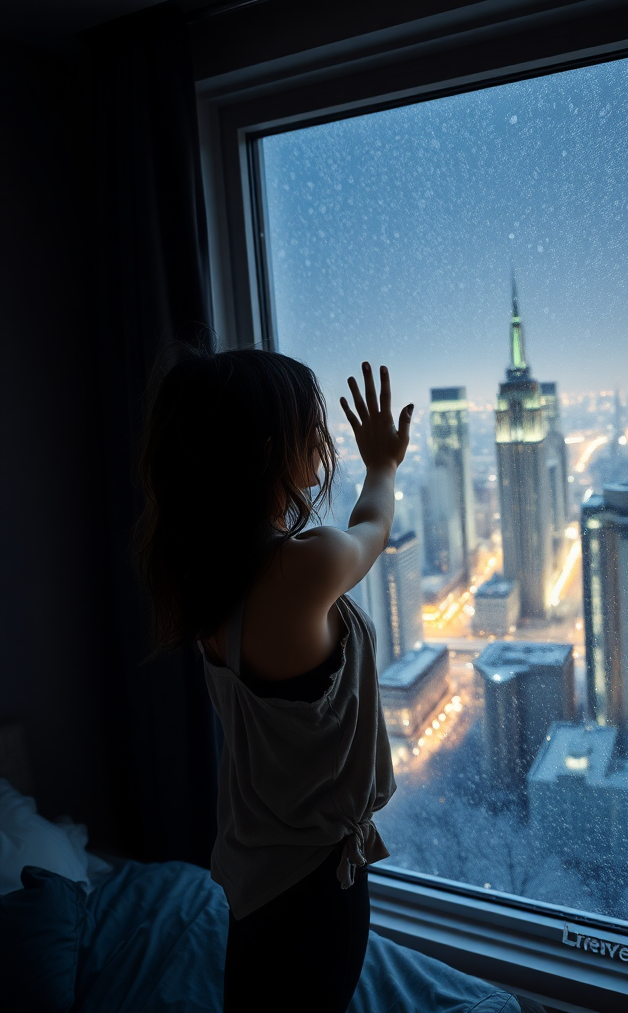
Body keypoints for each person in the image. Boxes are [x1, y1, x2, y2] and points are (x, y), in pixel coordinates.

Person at [134, 347, 413, 1012]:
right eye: (310, 430)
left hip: (255, 871)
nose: (322, 444)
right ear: (265, 452)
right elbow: (372, 529)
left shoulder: (205, 580)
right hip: (316, 888)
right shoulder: (298, 573)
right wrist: (382, 463)